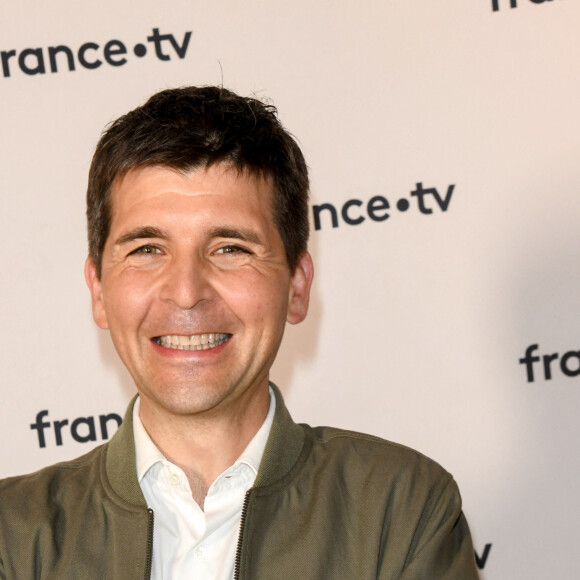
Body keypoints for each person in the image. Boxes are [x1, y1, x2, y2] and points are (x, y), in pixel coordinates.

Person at [0, 86, 479, 579]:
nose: (186, 292)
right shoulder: (12, 536)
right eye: (147, 249)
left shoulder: (399, 511)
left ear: (296, 285)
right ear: (99, 291)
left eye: (230, 249)